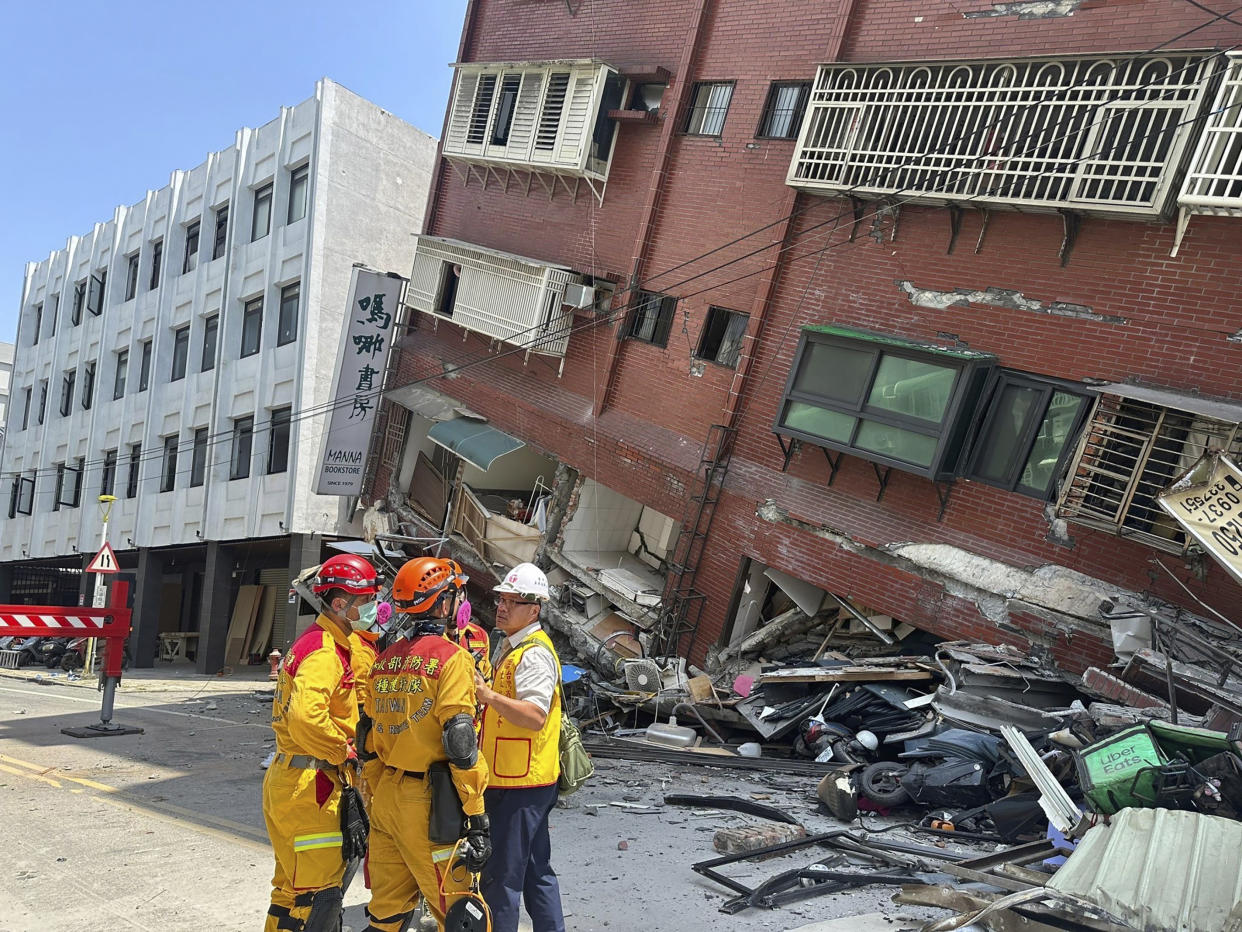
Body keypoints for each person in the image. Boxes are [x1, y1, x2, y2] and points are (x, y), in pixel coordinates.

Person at [362, 556, 492, 932]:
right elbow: (460, 740)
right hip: (431, 807)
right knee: (461, 916)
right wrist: (477, 813)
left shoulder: (384, 660)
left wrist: (374, 789)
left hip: (387, 794)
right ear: (443, 602)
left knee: (386, 914)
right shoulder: (453, 659)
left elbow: (367, 736)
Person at [262, 554, 380, 932]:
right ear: (341, 604)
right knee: (317, 896)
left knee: (290, 891)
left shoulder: (319, 641)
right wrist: (342, 750)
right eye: (366, 601)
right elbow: (304, 716)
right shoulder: (325, 651)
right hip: (311, 786)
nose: (373, 608)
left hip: (294, 780)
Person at [474, 562, 566, 932]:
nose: (502, 607)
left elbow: (534, 716)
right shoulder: (512, 648)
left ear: (534, 609)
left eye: (513, 601)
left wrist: (488, 696)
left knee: (501, 879)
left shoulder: (533, 654)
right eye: (501, 599)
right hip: (521, 780)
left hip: (519, 784)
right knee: (533, 870)